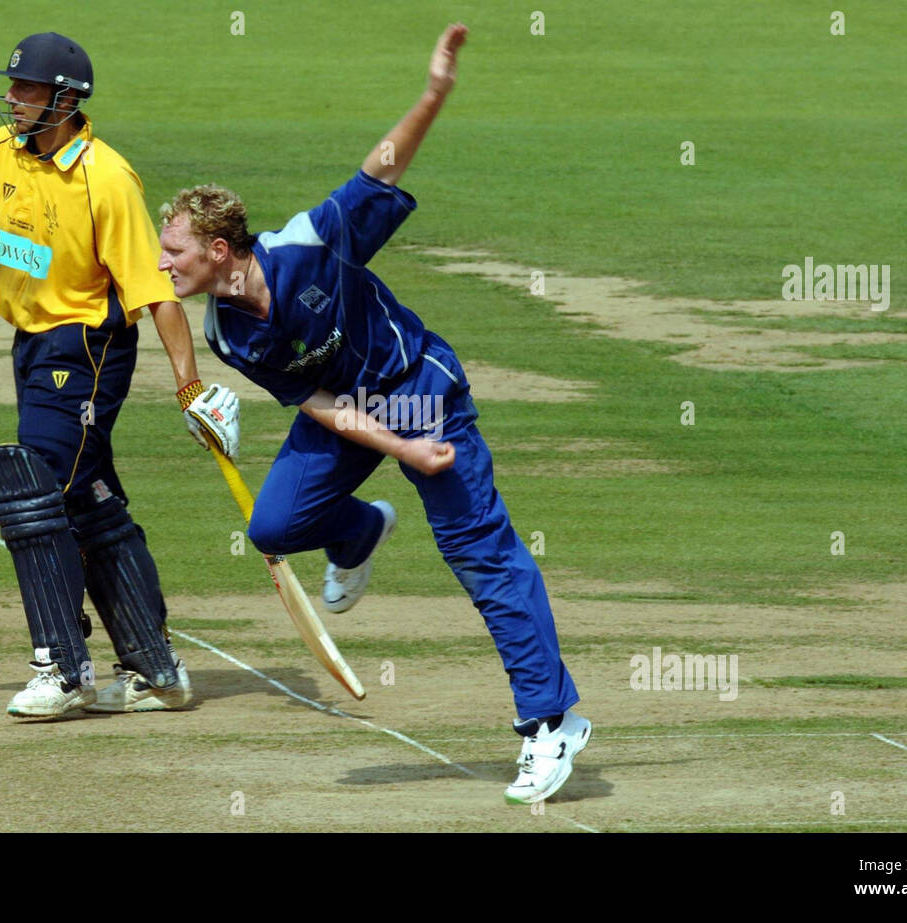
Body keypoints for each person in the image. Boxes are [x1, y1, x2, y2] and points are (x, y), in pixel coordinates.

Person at [155, 23, 588, 804]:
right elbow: (317, 405)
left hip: (420, 389)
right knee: (273, 527)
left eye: (174, 251)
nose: (162, 263)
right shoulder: (224, 331)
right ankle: (361, 531)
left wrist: (433, 94)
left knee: (482, 555)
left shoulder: (312, 243)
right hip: (351, 410)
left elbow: (380, 166)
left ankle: (550, 724)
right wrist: (396, 451)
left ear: (220, 248)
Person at [0, 32, 240, 719]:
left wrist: (190, 388)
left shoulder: (108, 178)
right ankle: (156, 670)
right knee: (88, 500)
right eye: (11, 88)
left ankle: (61, 668)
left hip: (89, 350)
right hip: (31, 348)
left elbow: (155, 296)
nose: (11, 99)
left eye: (26, 90)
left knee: (31, 485)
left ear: (65, 100)